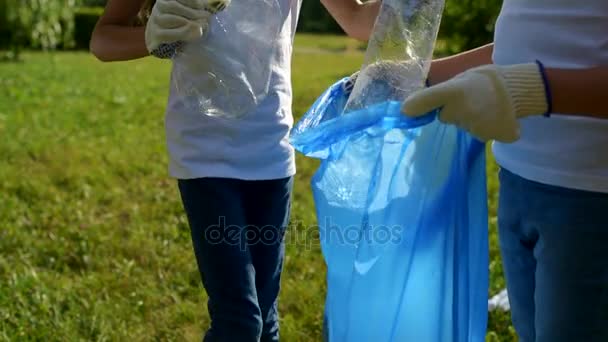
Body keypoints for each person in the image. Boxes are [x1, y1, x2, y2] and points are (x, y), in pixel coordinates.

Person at [333, 1, 608, 341]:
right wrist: (424, 75)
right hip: (518, 180)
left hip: (591, 196)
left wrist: (527, 89)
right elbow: (531, 42)